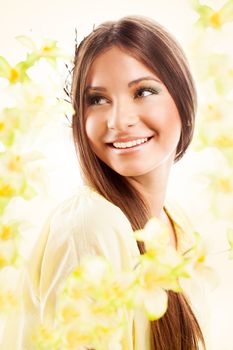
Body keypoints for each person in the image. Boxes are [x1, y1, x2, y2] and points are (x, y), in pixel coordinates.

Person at [1, 16, 207, 349]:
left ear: (184, 101)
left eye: (143, 91)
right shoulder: (92, 225)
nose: (118, 120)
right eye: (97, 99)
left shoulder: (178, 225)